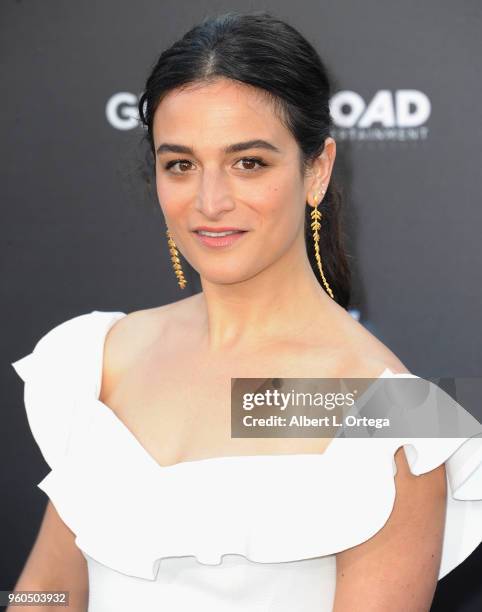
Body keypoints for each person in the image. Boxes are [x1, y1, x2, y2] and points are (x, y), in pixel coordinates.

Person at [9, 11, 482, 612]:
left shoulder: (390, 413)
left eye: (249, 162)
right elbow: (44, 597)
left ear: (317, 169)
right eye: (180, 164)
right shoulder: (103, 358)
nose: (210, 202)